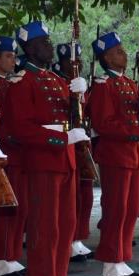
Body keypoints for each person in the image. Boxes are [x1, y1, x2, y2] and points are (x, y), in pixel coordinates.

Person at [4, 21, 86, 276]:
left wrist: (79, 96)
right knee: (44, 228)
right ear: (29, 48)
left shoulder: (55, 79)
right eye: (44, 43)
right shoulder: (22, 82)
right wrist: (60, 139)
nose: (50, 47)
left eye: (49, 42)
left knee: (65, 225)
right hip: (42, 162)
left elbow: (72, 116)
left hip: (64, 160)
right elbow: (21, 128)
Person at [89, 31, 139, 276]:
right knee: (115, 210)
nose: (124, 54)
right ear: (106, 57)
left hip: (133, 154)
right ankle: (110, 263)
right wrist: (137, 131)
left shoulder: (128, 82)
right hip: (115, 155)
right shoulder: (103, 85)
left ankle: (122, 258)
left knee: (130, 210)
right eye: (118, 52)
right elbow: (103, 123)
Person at [0, 34, 27, 276]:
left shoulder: (13, 84)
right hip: (1, 153)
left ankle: (10, 255)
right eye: (9, 56)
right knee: (3, 207)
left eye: (14, 56)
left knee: (18, 207)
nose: (14, 61)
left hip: (18, 153)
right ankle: (0, 258)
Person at [54, 42, 96, 262]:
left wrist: (82, 94)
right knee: (70, 199)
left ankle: (78, 237)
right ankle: (69, 241)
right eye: (70, 62)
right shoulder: (58, 83)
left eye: (78, 61)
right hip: (67, 144)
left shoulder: (79, 84)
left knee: (85, 195)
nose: (75, 65)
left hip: (82, 143)